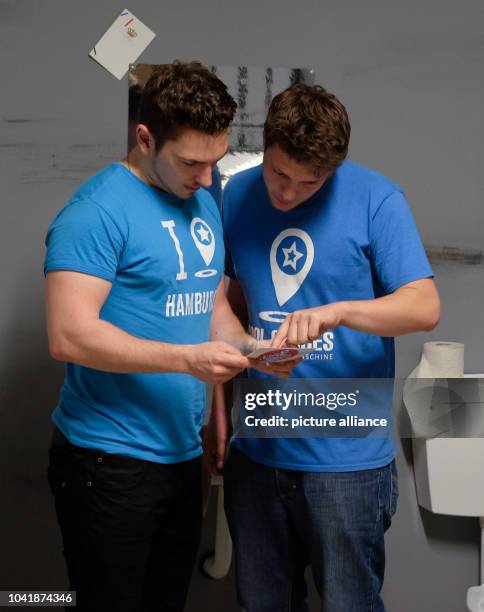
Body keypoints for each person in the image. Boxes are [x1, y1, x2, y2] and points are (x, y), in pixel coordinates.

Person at [44, 61, 293, 612]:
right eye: (190, 161)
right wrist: (187, 361)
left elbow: (206, 305)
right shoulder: (96, 212)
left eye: (215, 161)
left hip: (181, 456)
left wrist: (250, 348)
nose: (206, 178)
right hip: (107, 462)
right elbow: (68, 335)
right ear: (144, 137)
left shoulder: (202, 197)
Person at [204, 83, 441, 612]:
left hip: (348, 458)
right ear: (265, 146)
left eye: (309, 184)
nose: (287, 195)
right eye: (279, 174)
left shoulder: (377, 198)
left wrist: (340, 311)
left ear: (333, 169)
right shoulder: (233, 196)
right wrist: (217, 405)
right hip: (258, 443)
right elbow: (225, 305)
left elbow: (424, 307)